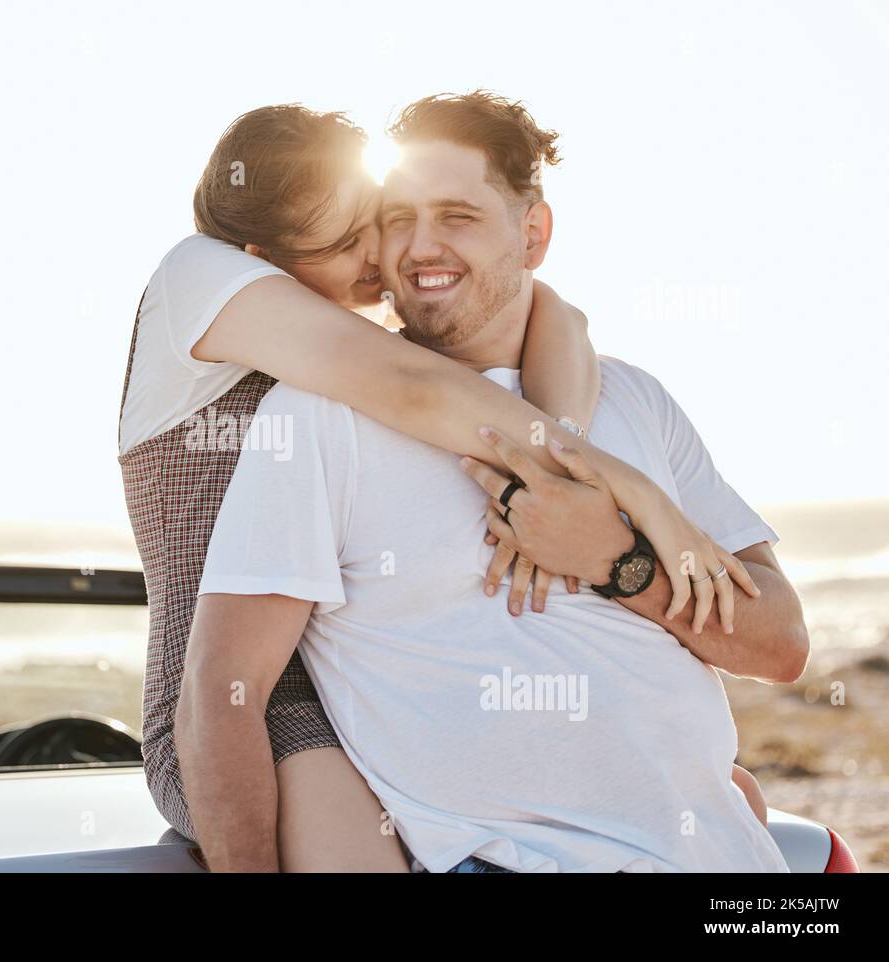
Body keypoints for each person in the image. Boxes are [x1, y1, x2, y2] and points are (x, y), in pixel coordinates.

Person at [179, 90, 807, 872]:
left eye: (458, 216)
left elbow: (781, 645)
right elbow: (221, 687)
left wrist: (618, 562)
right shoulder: (319, 417)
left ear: (533, 232)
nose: (418, 247)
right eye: (396, 218)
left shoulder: (634, 398)